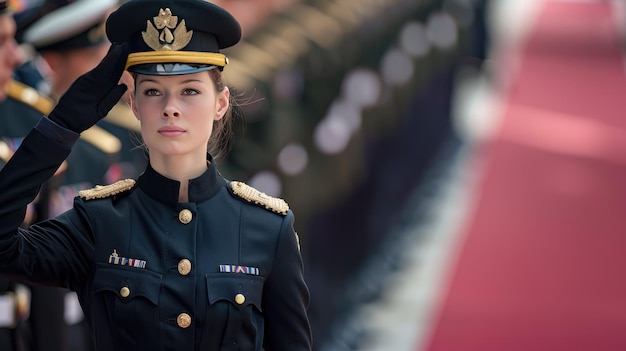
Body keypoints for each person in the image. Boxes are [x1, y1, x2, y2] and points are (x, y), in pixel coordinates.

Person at [0, 0, 312, 350]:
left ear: (221, 103)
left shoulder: (269, 228)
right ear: (134, 105)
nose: (171, 108)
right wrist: (62, 125)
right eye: (153, 92)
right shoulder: (98, 222)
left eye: (190, 90)